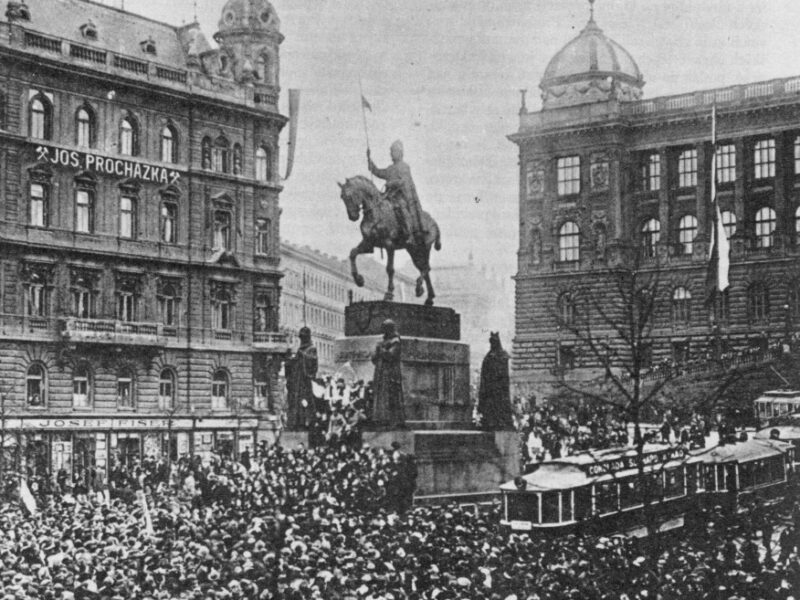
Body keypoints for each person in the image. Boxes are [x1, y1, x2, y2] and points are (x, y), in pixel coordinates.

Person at [367, 140, 425, 246]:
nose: (391, 154)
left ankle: (409, 234)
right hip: (389, 196)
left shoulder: (404, 166)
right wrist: (369, 160)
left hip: (401, 196)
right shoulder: (390, 168)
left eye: (393, 152)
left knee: (401, 207)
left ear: (399, 152)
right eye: (391, 152)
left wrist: (391, 183)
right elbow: (379, 172)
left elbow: (403, 181)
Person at [477, 332, 515, 430]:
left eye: (494, 342)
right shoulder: (489, 356)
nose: (492, 344)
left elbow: (504, 373)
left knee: (500, 406)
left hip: (500, 387)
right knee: (491, 407)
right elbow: (484, 374)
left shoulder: (501, 355)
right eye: (491, 342)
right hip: (491, 388)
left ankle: (499, 422)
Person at [371, 319, 405, 427]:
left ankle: (391, 419)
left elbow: (391, 356)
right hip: (380, 372)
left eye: (385, 328)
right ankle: (380, 417)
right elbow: (374, 359)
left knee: (390, 395)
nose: (383, 330)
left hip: (389, 372)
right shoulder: (382, 342)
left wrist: (381, 350)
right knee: (380, 394)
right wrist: (376, 353)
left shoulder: (395, 341)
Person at [284, 326, 318, 430]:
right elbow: (293, 364)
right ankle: (293, 422)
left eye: (304, 337)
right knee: (294, 401)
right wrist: (289, 360)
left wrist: (302, 355)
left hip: (304, 382)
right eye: (301, 337)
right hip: (296, 381)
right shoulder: (300, 349)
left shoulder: (311, 349)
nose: (302, 339)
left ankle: (306, 422)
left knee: (305, 402)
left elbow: (312, 363)